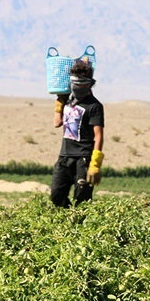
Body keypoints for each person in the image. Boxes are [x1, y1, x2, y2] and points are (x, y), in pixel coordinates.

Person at [50, 59, 104, 207]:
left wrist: (95, 163)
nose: (77, 88)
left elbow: (98, 135)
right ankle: (66, 223)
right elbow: (57, 123)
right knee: (56, 195)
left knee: (82, 200)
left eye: (81, 85)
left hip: (84, 158)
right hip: (64, 157)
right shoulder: (67, 101)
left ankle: (79, 226)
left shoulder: (95, 106)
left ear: (89, 85)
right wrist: (59, 103)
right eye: (75, 84)